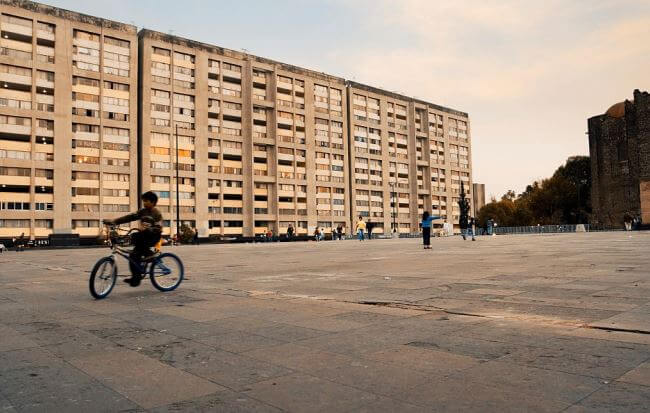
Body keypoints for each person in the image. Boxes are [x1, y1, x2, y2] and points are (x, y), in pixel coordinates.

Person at [104, 191, 163, 287]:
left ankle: (150, 255)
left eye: (146, 201)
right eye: (143, 201)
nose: (144, 203)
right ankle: (136, 279)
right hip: (144, 236)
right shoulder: (142, 212)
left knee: (137, 236)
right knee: (133, 256)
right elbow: (130, 217)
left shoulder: (156, 213)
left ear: (153, 202)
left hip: (154, 236)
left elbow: (159, 227)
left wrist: (150, 229)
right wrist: (114, 221)